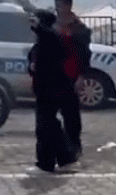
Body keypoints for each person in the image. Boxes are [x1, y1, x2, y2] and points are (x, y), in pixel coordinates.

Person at [28, 9, 81, 173]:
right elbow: (34, 61)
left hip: (52, 89)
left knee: (47, 125)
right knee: (46, 126)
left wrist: (39, 27)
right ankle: (53, 161)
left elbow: (47, 35)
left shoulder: (52, 37)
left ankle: (60, 161)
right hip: (45, 89)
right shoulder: (43, 41)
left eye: (36, 21)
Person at [53, 0, 91, 162]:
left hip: (72, 75)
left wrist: (82, 76)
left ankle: (74, 146)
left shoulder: (79, 29)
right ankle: (58, 147)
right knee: (51, 115)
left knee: (71, 115)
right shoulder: (52, 25)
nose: (59, 9)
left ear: (68, 6)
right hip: (54, 76)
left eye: (61, 5)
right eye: (57, 5)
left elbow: (85, 54)